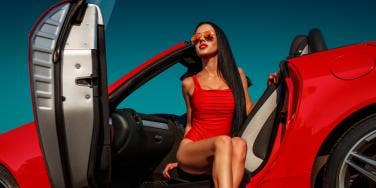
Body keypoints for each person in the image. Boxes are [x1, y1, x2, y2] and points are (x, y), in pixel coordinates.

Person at [162, 21, 253, 188]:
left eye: (208, 36)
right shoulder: (189, 83)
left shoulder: (237, 76)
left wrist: (276, 87)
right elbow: (190, 124)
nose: (202, 40)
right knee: (224, 141)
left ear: (220, 41)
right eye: (197, 38)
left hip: (222, 152)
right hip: (192, 148)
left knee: (239, 143)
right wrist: (182, 163)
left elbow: (250, 110)